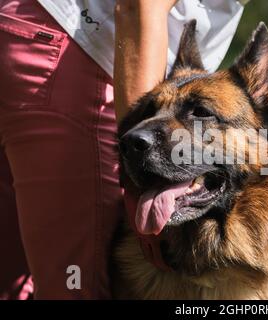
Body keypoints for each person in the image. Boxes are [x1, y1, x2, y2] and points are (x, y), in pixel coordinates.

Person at [0, 0, 245, 299]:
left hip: (26, 32)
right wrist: (138, 181)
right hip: (80, 49)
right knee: (75, 284)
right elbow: (140, 5)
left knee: (12, 275)